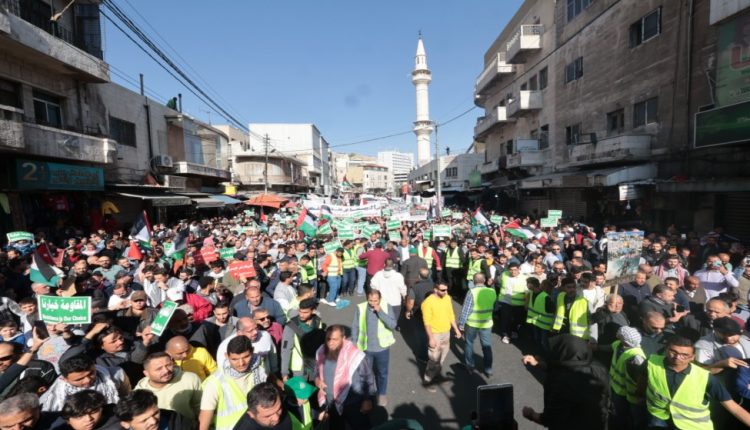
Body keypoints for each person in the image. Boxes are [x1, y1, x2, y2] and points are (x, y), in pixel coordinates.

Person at [642, 335, 750, 428]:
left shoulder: (705, 377)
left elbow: (733, 407)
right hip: (658, 417)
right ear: (666, 350)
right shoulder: (651, 362)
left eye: (684, 355)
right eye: (673, 352)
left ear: (692, 357)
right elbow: (642, 381)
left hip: (691, 424)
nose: (677, 357)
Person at [521, 334, 610, 429]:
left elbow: (551, 419)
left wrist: (531, 414)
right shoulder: (600, 368)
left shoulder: (562, 382)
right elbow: (567, 365)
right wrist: (538, 363)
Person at [314, 325, 376, 429]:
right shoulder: (321, 351)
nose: (330, 343)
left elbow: (368, 377)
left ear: (343, 339)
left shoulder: (355, 355)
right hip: (331, 403)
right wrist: (317, 380)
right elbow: (316, 370)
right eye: (328, 339)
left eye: (335, 339)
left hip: (353, 403)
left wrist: (368, 400)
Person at [200, 336, 269, 430]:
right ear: (226, 356)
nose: (241, 363)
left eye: (246, 357)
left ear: (252, 351)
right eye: (235, 359)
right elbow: (206, 414)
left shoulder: (259, 368)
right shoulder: (215, 381)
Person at [351, 290, 397, 407]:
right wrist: (354, 343)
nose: (372, 303)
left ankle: (382, 393)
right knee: (366, 374)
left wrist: (380, 311)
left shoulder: (386, 307)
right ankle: (367, 397)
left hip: (382, 348)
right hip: (366, 347)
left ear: (380, 299)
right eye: (370, 300)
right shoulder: (361, 308)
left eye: (375, 301)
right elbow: (355, 325)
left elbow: (392, 325)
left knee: (382, 373)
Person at [41, 354, 129, 411]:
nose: (87, 380)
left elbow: (126, 397)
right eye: (79, 379)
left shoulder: (116, 375)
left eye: (91, 373)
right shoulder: (55, 395)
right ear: (65, 379)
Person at [134, 352, 202, 425]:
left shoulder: (190, 378)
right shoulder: (140, 393)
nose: (166, 371)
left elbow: (200, 407)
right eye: (159, 369)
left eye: (168, 365)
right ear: (146, 373)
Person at [421, 281, 462, 391]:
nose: (446, 292)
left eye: (446, 290)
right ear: (435, 289)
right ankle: (427, 381)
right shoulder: (427, 303)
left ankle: (436, 375)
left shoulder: (447, 298)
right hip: (435, 334)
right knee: (433, 359)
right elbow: (427, 322)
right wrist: (431, 338)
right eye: (443, 290)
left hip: (446, 332)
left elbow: (450, 314)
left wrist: (456, 329)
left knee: (442, 357)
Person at [458, 273, 497, 376]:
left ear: (474, 281)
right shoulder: (492, 291)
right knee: (486, 346)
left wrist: (461, 325)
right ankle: (488, 369)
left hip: (472, 323)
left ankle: (470, 366)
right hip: (487, 323)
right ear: (484, 280)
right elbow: (495, 306)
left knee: (469, 343)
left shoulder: (472, 292)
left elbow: (466, 310)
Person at [609, 327, 646, 430]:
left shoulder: (636, 356)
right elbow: (611, 346)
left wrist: (640, 395)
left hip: (632, 395)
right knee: (620, 416)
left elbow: (640, 378)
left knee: (635, 419)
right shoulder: (619, 345)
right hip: (617, 389)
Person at [281, 298, 326, 382]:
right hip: (299, 368)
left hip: (315, 365)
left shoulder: (317, 320)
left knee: (314, 390)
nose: (301, 315)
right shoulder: (291, 326)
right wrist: (284, 373)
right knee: (301, 393)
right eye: (300, 311)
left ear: (313, 311)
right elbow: (286, 350)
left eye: (305, 312)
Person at [232, 382, 301, 430]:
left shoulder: (279, 406)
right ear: (251, 414)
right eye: (268, 416)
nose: (276, 418)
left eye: (279, 409)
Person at [114, 389, 193, 430]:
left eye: (155, 413)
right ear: (126, 424)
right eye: (144, 420)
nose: (153, 421)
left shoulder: (181, 422)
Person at [404, 268, 434, 363]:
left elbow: (410, 303)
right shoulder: (434, 285)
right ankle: (433, 353)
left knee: (422, 335)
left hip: (419, 314)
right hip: (433, 313)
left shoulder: (415, 288)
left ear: (419, 276)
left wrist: (408, 311)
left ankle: (423, 356)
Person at [49, 389, 120, 430]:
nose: (88, 419)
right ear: (68, 421)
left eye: (93, 412)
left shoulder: (119, 422)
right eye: (79, 416)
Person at [497, 262, 528, 344]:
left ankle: (514, 331)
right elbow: (499, 282)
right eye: (511, 270)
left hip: (518, 303)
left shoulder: (524, 278)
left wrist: (526, 304)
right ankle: (505, 335)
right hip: (505, 301)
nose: (513, 272)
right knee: (505, 319)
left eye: (515, 270)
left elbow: (527, 292)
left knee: (516, 319)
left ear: (519, 269)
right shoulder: (504, 274)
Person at [369, 259, 406, 324]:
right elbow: (402, 289)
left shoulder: (378, 274)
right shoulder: (398, 276)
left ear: (384, 265)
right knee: (393, 321)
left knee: (381, 319)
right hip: (395, 302)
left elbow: (372, 285)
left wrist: (378, 290)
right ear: (393, 265)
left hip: (382, 301)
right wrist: (404, 296)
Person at [525, 278, 555, 355]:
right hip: (536, 322)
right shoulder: (531, 293)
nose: (527, 285)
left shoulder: (545, 297)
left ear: (532, 284)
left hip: (545, 324)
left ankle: (548, 359)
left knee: (544, 342)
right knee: (538, 340)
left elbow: (552, 310)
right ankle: (540, 356)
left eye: (528, 283)